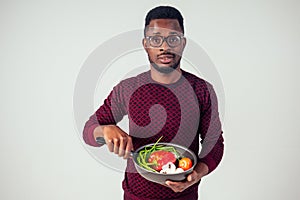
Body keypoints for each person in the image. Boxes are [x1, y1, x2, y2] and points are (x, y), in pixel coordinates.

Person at [83, 5, 224, 200]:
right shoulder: (128, 88)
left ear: (183, 43)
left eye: (173, 39)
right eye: (155, 39)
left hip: (185, 196)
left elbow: (214, 144)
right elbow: (89, 130)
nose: (164, 47)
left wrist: (196, 174)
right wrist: (104, 130)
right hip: (135, 196)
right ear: (145, 44)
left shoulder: (202, 90)